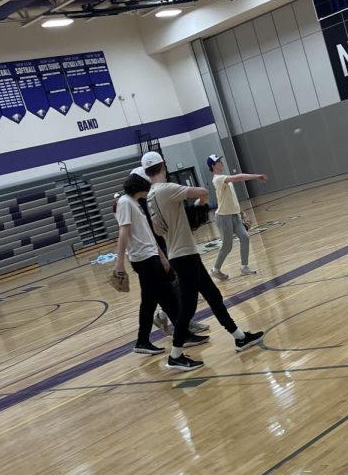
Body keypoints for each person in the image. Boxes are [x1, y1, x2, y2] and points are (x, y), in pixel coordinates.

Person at [143, 151, 263, 371]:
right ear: (163, 167)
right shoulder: (168, 188)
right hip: (184, 255)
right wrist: (201, 203)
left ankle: (239, 337)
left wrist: (181, 219)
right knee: (187, 309)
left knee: (214, 296)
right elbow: (202, 191)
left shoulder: (151, 195)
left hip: (182, 252)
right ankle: (175, 355)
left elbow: (158, 229)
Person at [112, 172, 203, 356]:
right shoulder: (124, 203)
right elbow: (123, 233)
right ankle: (182, 335)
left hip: (150, 256)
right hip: (142, 259)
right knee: (168, 297)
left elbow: (147, 233)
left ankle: (143, 341)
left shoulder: (135, 203)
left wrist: (161, 255)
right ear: (141, 184)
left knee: (149, 301)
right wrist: (119, 263)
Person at [207, 154, 266, 280]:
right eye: (218, 161)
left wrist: (241, 211)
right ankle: (215, 270)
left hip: (234, 215)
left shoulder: (224, 178)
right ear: (213, 165)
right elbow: (239, 177)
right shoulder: (218, 179)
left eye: (221, 160)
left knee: (245, 237)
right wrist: (256, 176)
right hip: (223, 217)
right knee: (227, 246)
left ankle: (244, 267)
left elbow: (231, 198)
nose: (221, 163)